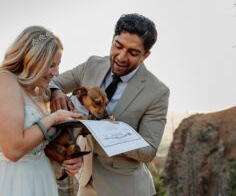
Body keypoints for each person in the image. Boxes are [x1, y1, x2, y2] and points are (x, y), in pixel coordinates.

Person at [50, 13, 170, 196]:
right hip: (84, 185)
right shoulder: (92, 65)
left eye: (133, 52)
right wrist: (56, 91)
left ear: (146, 55)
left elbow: (149, 151)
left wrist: (108, 133)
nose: (121, 57)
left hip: (127, 189)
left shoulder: (157, 92)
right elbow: (51, 82)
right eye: (118, 46)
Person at [0, 26, 83, 196]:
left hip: (40, 177)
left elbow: (38, 146)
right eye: (51, 65)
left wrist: (66, 158)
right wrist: (53, 118)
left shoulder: (38, 92)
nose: (56, 73)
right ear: (31, 60)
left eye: (58, 65)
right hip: (7, 180)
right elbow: (13, 150)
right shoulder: (3, 82)